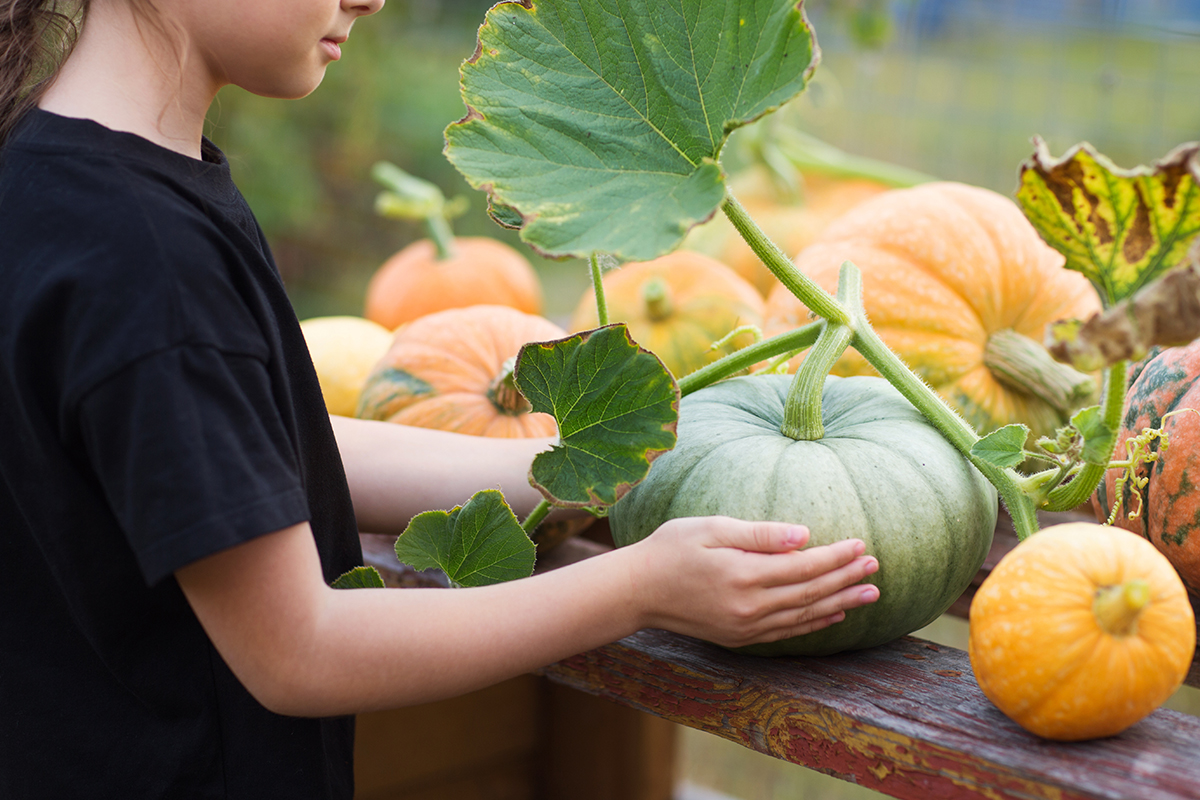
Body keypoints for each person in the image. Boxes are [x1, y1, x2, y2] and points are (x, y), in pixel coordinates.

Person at [0, 0, 881, 797]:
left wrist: (575, 473)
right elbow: (297, 649)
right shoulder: (149, 265)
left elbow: (254, 455)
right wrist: (640, 588)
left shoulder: (53, 179)